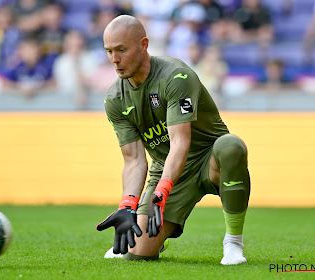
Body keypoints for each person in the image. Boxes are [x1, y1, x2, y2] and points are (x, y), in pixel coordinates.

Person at [96, 15, 251, 265]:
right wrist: (128, 205)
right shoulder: (115, 99)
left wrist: (162, 191)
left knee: (231, 145)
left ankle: (233, 242)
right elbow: (134, 160)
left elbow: (180, 142)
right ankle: (160, 236)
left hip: (207, 157)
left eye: (121, 50)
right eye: (109, 51)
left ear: (143, 44)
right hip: (166, 169)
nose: (114, 60)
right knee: (137, 255)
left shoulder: (175, 76)